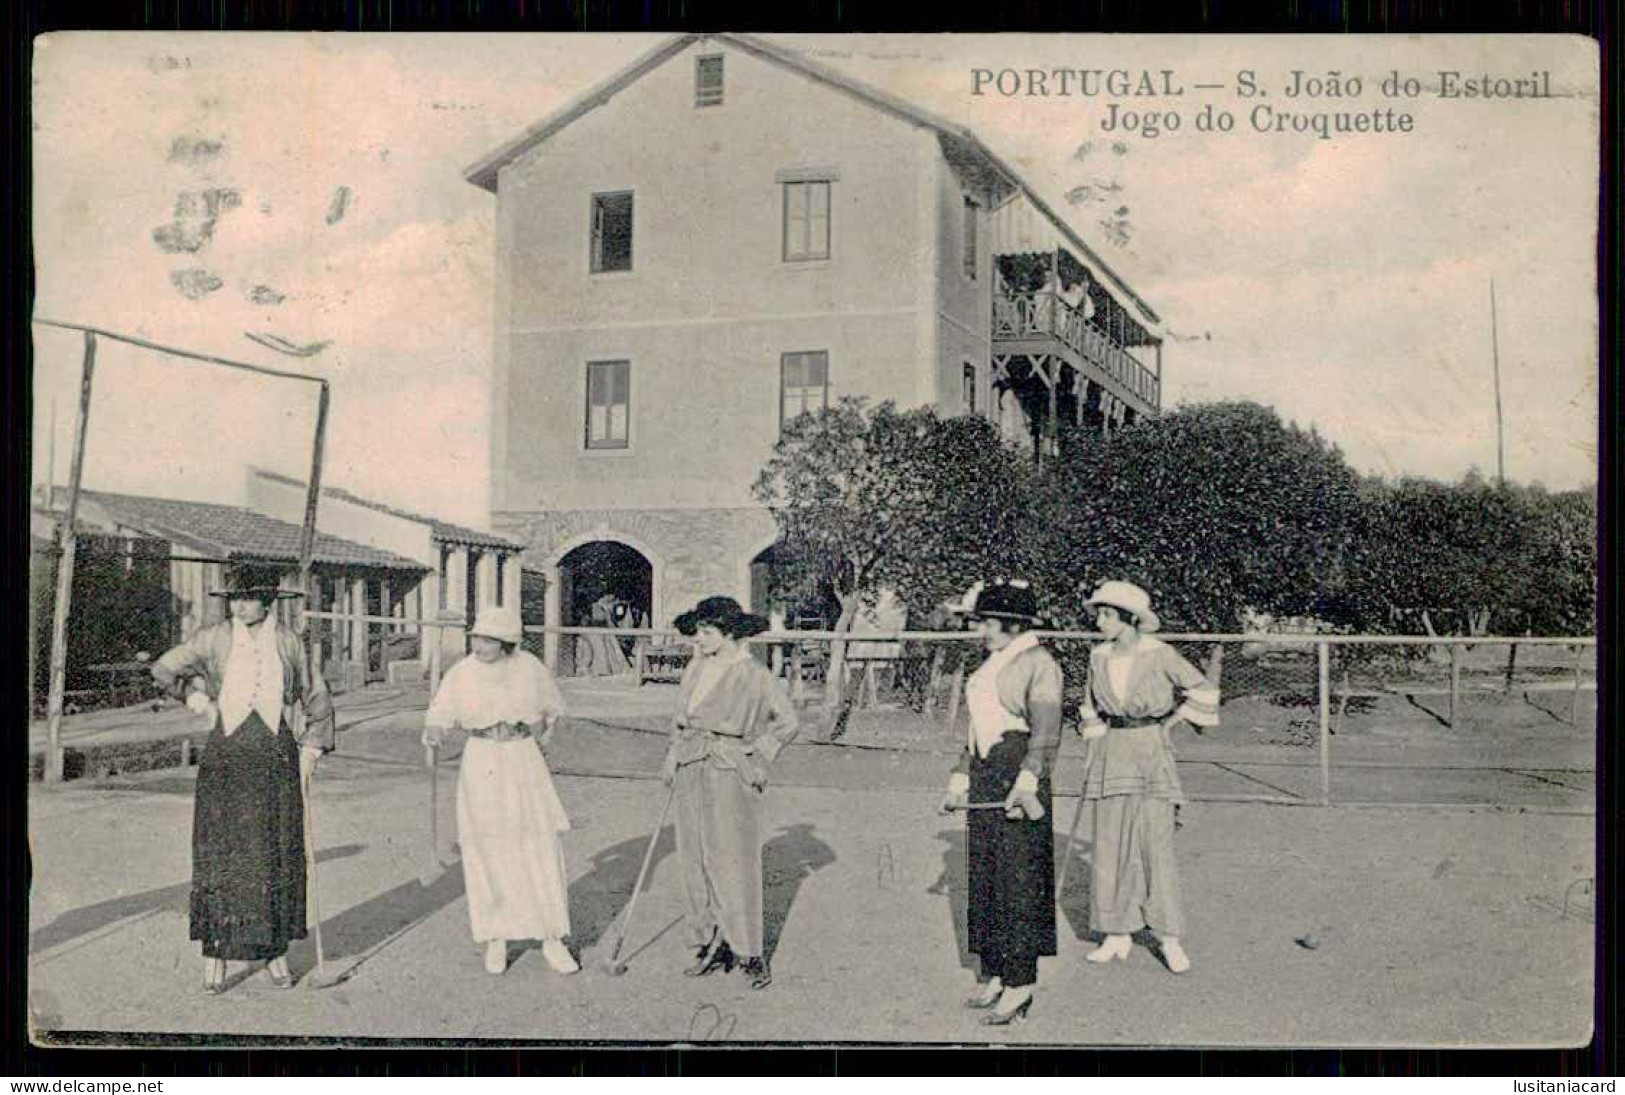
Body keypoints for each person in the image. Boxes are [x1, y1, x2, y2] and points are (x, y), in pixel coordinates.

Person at [150, 561, 333, 995]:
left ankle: (274, 953)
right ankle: (215, 956)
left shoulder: (288, 642)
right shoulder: (214, 638)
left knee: (273, 854)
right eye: (234, 598)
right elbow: (164, 668)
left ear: (267, 602)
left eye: (248, 598)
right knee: (224, 854)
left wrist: (311, 747)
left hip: (274, 756)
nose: (239, 606)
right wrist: (196, 697)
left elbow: (316, 694)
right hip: (228, 756)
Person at [423, 603, 579, 976]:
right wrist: (433, 731)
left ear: (507, 643)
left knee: (537, 842)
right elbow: (440, 712)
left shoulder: (529, 668)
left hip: (523, 761)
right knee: (489, 846)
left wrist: (544, 733)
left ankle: (551, 938)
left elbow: (553, 709)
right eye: (476, 637)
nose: (478, 645)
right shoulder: (462, 673)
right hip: (482, 762)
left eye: (488, 639)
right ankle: (497, 938)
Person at [1077, 581, 1219, 974]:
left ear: (1129, 619)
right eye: (1099, 614)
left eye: (1108, 615)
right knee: (1109, 842)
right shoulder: (1098, 656)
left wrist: (1170, 724)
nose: (1100, 622)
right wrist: (1093, 745)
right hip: (1112, 752)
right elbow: (1089, 706)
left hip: (1150, 753)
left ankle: (1168, 937)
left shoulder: (1159, 654)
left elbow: (1203, 690)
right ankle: (1116, 933)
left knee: (1154, 844)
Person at [940, 579, 1064, 1026]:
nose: (981, 631)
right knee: (986, 876)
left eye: (986, 623)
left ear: (1010, 624)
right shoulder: (992, 662)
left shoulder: (1039, 663)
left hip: (1019, 772)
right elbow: (977, 727)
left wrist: (1028, 782)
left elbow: (1047, 732)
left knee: (1018, 882)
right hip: (986, 770)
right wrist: (960, 776)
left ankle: (1021, 983)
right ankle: (994, 971)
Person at [661, 596, 799, 990]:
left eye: (706, 633)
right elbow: (680, 718)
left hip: (727, 769)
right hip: (692, 764)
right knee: (695, 857)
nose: (699, 640)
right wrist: (673, 754)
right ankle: (710, 941)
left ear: (730, 633)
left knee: (732, 861)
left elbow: (787, 721)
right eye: (698, 632)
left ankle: (749, 950)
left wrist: (756, 756)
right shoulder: (696, 667)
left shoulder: (754, 674)